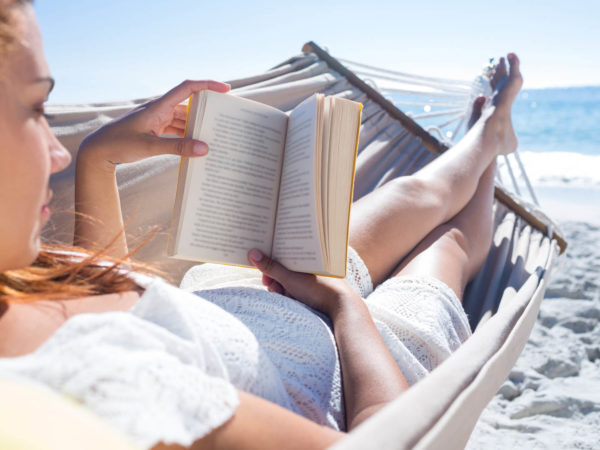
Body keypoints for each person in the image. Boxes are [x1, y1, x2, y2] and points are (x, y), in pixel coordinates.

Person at [0, 1, 523, 449]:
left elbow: (103, 308)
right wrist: (346, 308)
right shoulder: (94, 387)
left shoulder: (14, 276)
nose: (56, 153)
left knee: (411, 195)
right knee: (446, 245)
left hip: (245, 292)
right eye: (34, 107)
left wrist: (98, 157)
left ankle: (485, 134)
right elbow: (383, 440)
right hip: (354, 366)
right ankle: (492, 145)